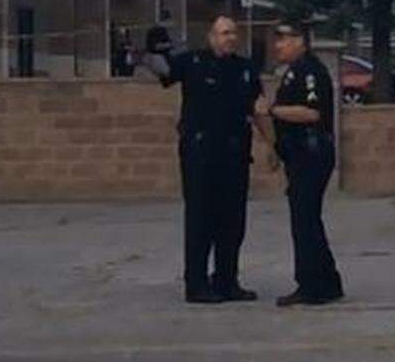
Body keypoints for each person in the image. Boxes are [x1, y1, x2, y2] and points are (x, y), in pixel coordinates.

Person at [140, 16, 262, 304]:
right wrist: (155, 49)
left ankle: (227, 281)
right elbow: (162, 71)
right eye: (223, 33)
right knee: (200, 219)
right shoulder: (193, 62)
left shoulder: (245, 69)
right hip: (200, 155)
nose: (229, 38)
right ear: (211, 37)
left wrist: (273, 147)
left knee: (233, 221)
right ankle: (196, 284)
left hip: (235, 155)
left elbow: (257, 109)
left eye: (233, 33)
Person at [254, 19, 344, 307]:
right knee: (306, 219)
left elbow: (312, 113)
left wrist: (273, 109)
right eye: (277, 40)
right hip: (297, 153)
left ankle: (312, 285)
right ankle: (327, 281)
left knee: (304, 220)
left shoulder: (309, 71)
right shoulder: (293, 72)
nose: (278, 46)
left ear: (300, 42)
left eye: (284, 39)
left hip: (312, 151)